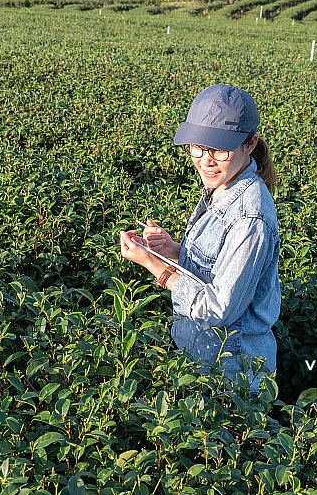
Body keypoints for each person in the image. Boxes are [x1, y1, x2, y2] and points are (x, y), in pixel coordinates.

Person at [119, 84, 280, 396]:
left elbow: (219, 309)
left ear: (250, 145)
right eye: (197, 147)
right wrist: (172, 251)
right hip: (200, 358)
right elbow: (219, 265)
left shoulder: (251, 217)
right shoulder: (224, 184)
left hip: (232, 376)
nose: (206, 161)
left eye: (219, 150)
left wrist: (157, 268)